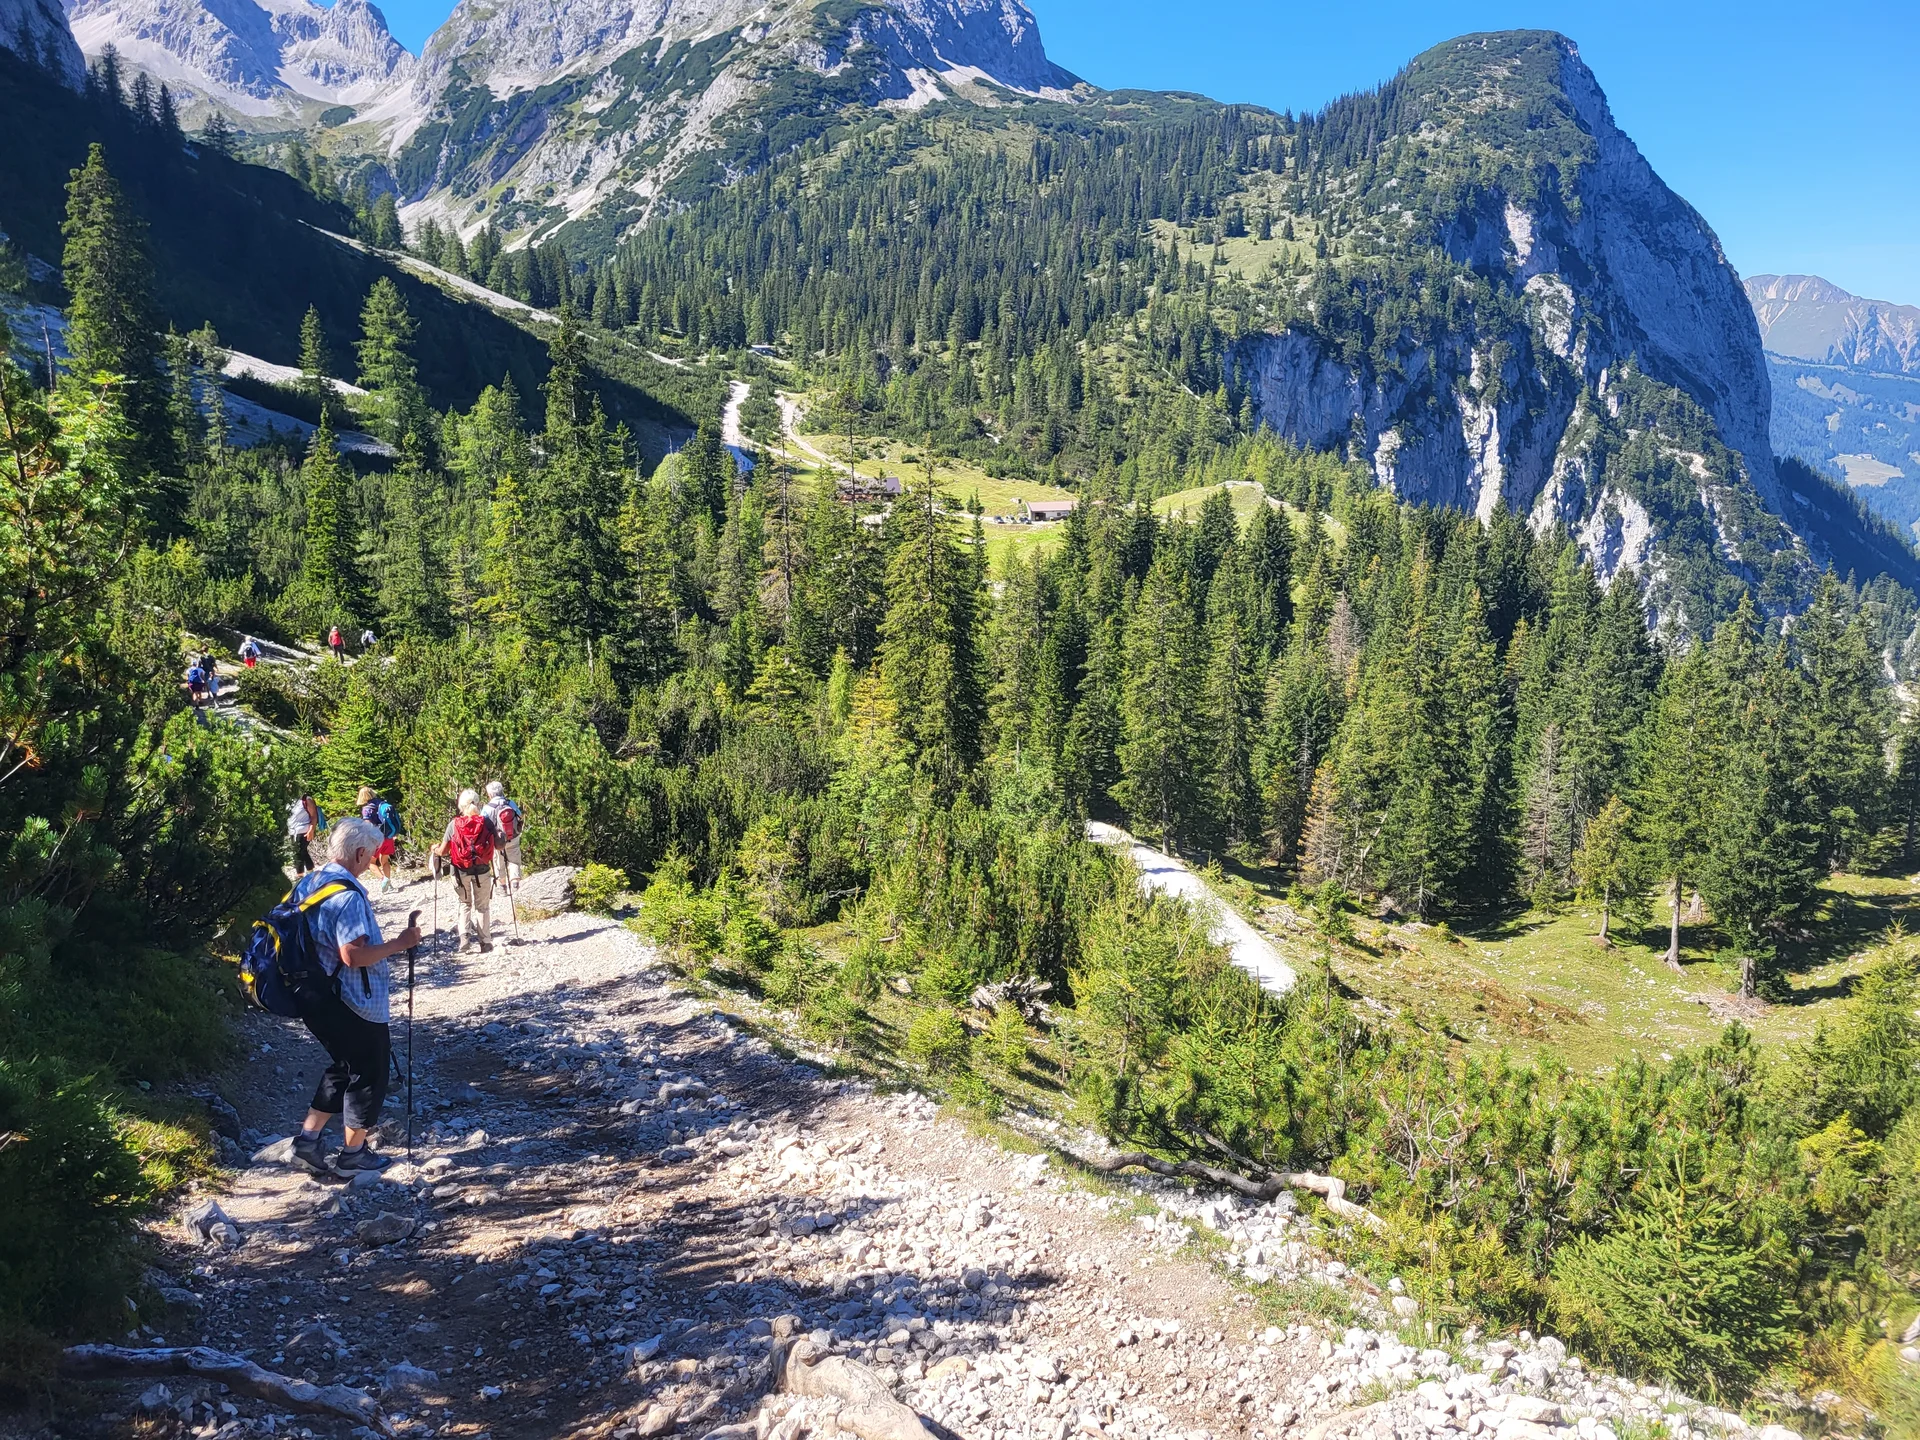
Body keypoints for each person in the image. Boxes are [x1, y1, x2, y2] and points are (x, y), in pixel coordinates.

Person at [286, 817, 421, 1177]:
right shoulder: (347, 895)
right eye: (372, 855)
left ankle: (307, 1142)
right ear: (360, 852)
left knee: (344, 1066)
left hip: (311, 992)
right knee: (369, 1070)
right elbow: (352, 955)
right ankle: (353, 1154)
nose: (373, 861)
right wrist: (399, 944)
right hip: (349, 999)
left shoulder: (311, 881)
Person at [430, 790, 498, 954]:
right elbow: (499, 845)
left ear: (461, 805)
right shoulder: (486, 823)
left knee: (465, 904)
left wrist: (435, 849)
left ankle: (464, 940)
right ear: (478, 802)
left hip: (460, 871)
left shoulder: (454, 824)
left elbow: (444, 851)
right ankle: (485, 942)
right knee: (482, 907)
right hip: (482, 870)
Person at [357, 785, 401, 892]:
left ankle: (384, 880)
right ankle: (389, 884)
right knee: (384, 861)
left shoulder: (367, 809)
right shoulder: (382, 804)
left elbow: (368, 825)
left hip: (376, 839)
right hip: (388, 837)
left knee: (370, 862)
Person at [482, 780, 524, 885]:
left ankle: (502, 885)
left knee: (498, 861)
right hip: (513, 836)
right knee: (514, 860)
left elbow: (482, 823)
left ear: (490, 794)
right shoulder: (510, 803)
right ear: (501, 791)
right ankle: (515, 883)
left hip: (496, 840)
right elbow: (520, 816)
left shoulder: (487, 808)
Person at [287, 792, 323, 875]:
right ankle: (311, 872)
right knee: (303, 852)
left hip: (303, 830)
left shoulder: (306, 800)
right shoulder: (289, 800)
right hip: (292, 831)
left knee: (298, 853)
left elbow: (314, 816)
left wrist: (311, 830)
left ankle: (300, 875)